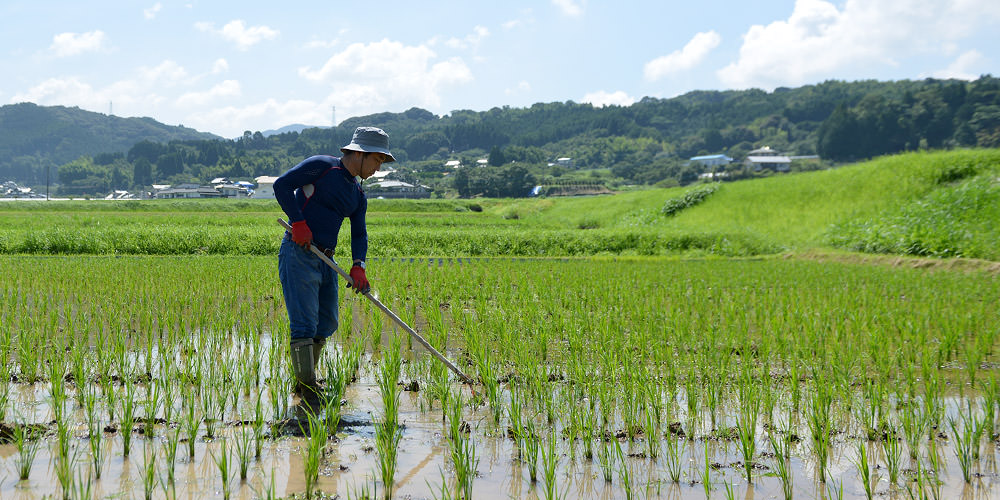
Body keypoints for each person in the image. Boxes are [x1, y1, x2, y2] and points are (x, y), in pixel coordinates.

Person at [273, 126, 394, 420]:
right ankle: (306, 389)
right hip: (300, 252)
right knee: (304, 323)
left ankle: (306, 382)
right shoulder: (322, 167)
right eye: (377, 160)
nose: (378, 168)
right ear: (360, 154)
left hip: (326, 259)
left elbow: (359, 233)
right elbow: (281, 186)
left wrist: (358, 265)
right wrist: (298, 221)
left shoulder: (357, 194)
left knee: (326, 321)